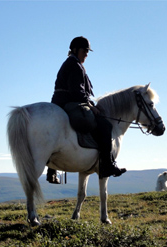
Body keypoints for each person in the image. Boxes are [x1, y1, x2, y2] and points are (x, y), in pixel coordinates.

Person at [47, 36, 126, 184]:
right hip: (70, 103)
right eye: (85, 50)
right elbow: (78, 92)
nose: (87, 54)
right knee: (105, 125)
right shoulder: (75, 65)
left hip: (60, 102)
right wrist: (91, 106)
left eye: (87, 51)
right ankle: (107, 165)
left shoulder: (70, 63)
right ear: (76, 50)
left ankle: (51, 169)